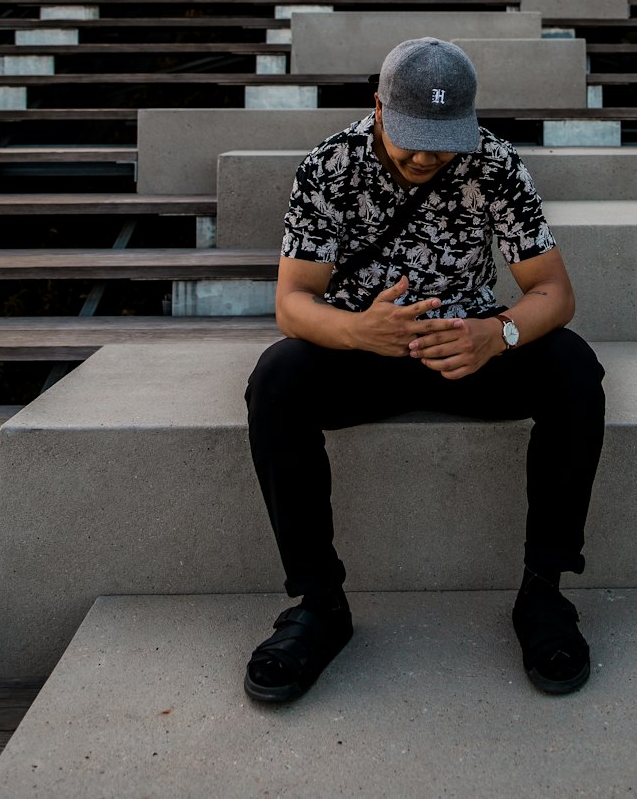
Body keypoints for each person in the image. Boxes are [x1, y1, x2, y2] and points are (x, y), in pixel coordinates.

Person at [244, 37, 605, 703]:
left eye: (440, 141)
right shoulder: (331, 165)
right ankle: (318, 604)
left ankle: (544, 593)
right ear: (378, 107)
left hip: (465, 352)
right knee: (277, 379)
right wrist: (356, 330)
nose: (422, 155)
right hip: (361, 353)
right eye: (410, 136)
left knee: (575, 369)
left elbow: (554, 293)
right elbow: (292, 305)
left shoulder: (493, 164)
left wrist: (496, 336)